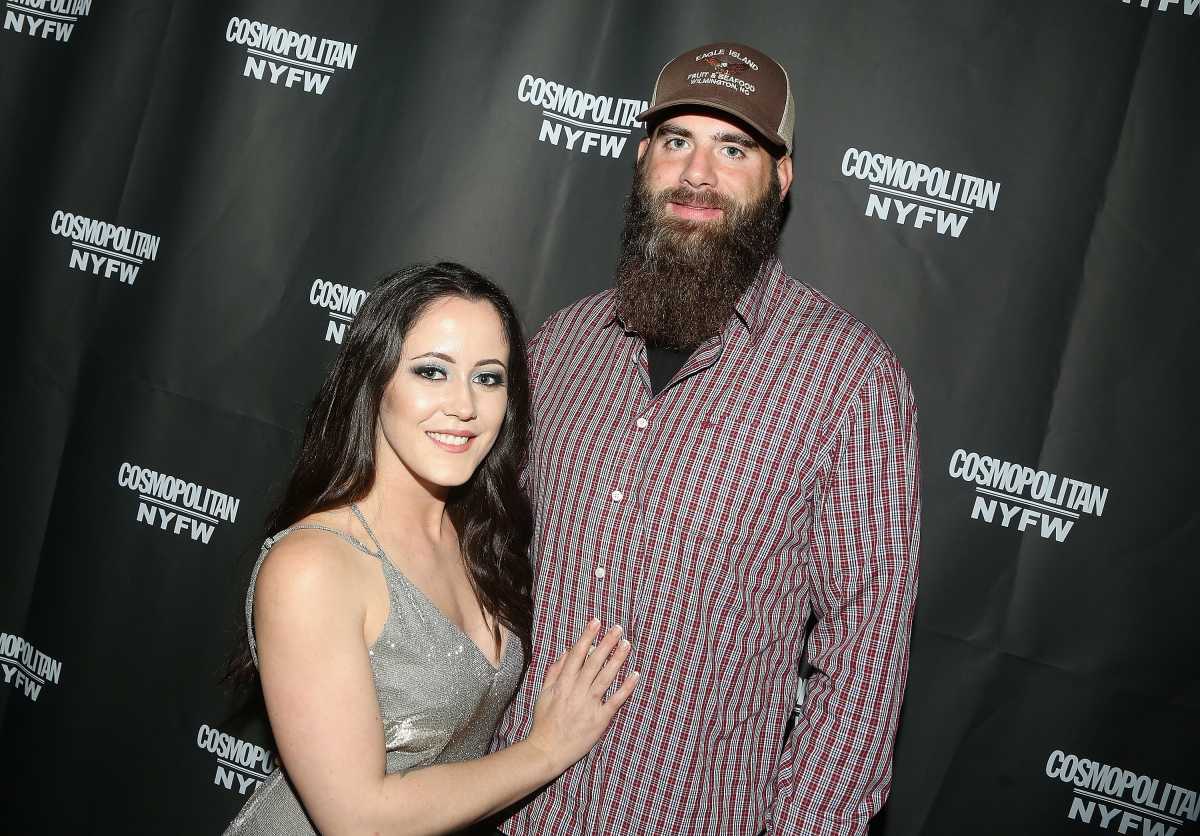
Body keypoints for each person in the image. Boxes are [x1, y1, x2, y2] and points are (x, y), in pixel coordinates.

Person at [490, 43, 921, 836]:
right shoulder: (561, 345)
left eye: (734, 148)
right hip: (514, 811)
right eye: (677, 140)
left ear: (780, 178)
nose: (698, 173)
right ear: (642, 158)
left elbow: (864, 654)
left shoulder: (850, 380)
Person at [221, 263, 640, 835]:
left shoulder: (476, 539)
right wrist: (546, 749)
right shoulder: (312, 566)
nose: (464, 405)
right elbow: (357, 821)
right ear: (375, 382)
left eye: (488, 378)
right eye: (431, 371)